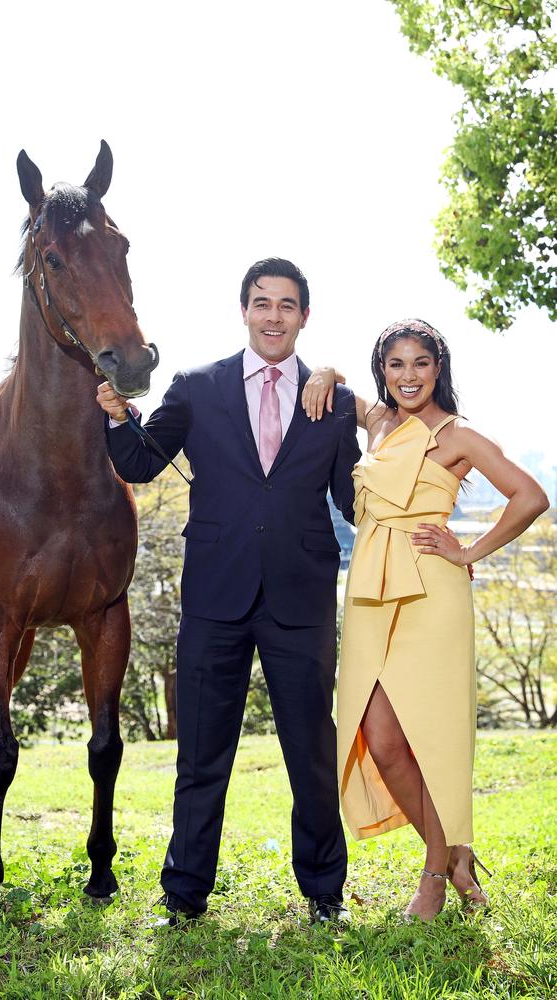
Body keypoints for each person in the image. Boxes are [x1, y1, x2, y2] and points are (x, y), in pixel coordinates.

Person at [97, 258, 361, 925]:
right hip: (215, 596)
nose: (274, 316)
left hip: (300, 597)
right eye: (262, 303)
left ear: (305, 316)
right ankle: (185, 894)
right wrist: (115, 416)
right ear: (243, 311)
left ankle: (325, 893)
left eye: (287, 305)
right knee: (202, 754)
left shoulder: (333, 398)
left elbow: (352, 499)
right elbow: (140, 461)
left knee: (311, 752)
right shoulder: (196, 387)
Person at [302, 319, 549, 921]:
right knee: (382, 739)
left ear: (439, 369)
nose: (407, 376)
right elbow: (342, 394)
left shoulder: (457, 435)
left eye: (420, 364)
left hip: (430, 593)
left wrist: (466, 552)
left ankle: (437, 873)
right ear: (381, 371)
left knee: (431, 740)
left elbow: (531, 496)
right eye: (395, 364)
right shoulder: (380, 422)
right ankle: (456, 856)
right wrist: (330, 372)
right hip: (367, 589)